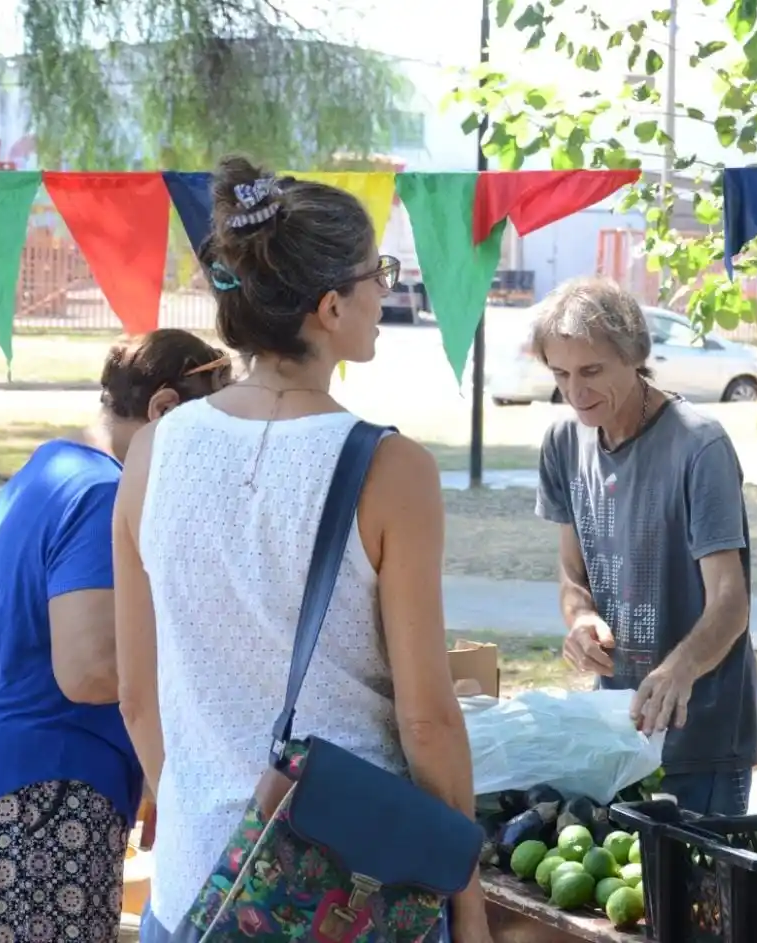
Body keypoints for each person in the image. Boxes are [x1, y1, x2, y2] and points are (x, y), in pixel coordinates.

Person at [112, 157, 491, 943]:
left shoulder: (152, 450)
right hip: (345, 899)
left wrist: (213, 833)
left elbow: (136, 697)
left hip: (191, 896)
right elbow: (426, 723)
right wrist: (468, 898)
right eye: (377, 272)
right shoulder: (391, 469)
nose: (387, 289)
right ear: (328, 306)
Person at [0, 329, 231, 943]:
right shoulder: (103, 493)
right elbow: (91, 671)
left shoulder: (50, 465)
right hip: (48, 800)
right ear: (164, 408)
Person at [533, 276, 757, 816]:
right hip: (617, 729)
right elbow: (572, 576)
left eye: (591, 371)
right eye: (561, 374)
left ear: (636, 356)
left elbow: (730, 602)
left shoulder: (699, 445)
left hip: (702, 740)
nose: (576, 392)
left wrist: (679, 669)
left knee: (705, 900)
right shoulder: (563, 443)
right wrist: (580, 619)